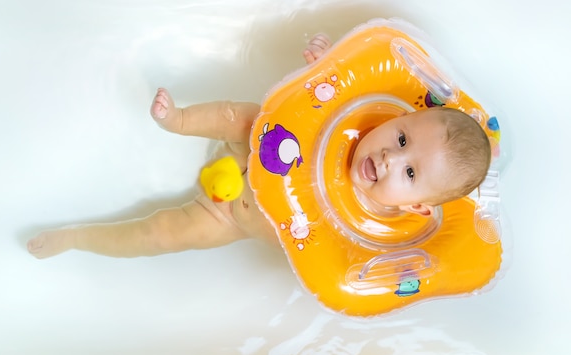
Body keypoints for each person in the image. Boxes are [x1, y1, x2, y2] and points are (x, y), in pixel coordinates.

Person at [27, 34, 491, 259]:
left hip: (231, 214)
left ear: (415, 210)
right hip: (253, 145)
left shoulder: (370, 233)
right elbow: (325, 90)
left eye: (410, 174)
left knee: (160, 234)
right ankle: (179, 120)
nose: (392, 157)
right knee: (246, 116)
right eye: (403, 138)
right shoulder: (356, 118)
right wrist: (323, 64)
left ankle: (76, 240)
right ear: (398, 119)